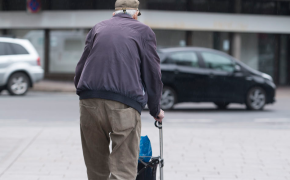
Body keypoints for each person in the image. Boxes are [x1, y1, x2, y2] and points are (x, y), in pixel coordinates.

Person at [74, 0, 165, 179]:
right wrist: (155, 109)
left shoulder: (97, 28)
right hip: (124, 104)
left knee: (96, 170)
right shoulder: (143, 31)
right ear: (135, 13)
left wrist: (85, 92)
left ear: (114, 12)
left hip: (89, 101)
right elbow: (152, 74)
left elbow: (81, 67)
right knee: (123, 170)